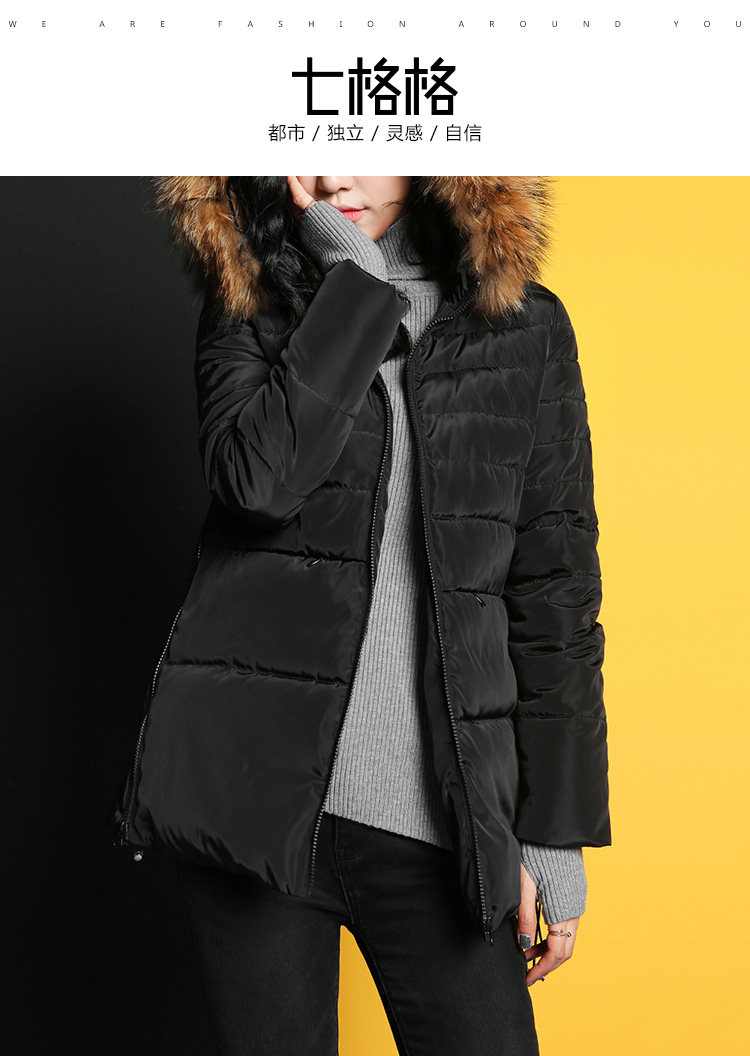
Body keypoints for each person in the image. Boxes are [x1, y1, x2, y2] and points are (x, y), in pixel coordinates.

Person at [117, 175, 611, 1055]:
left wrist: (553, 836)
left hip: (441, 824)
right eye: (313, 143)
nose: (335, 176)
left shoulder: (525, 328)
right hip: (255, 812)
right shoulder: (251, 305)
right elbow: (258, 484)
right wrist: (353, 288)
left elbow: (555, 592)